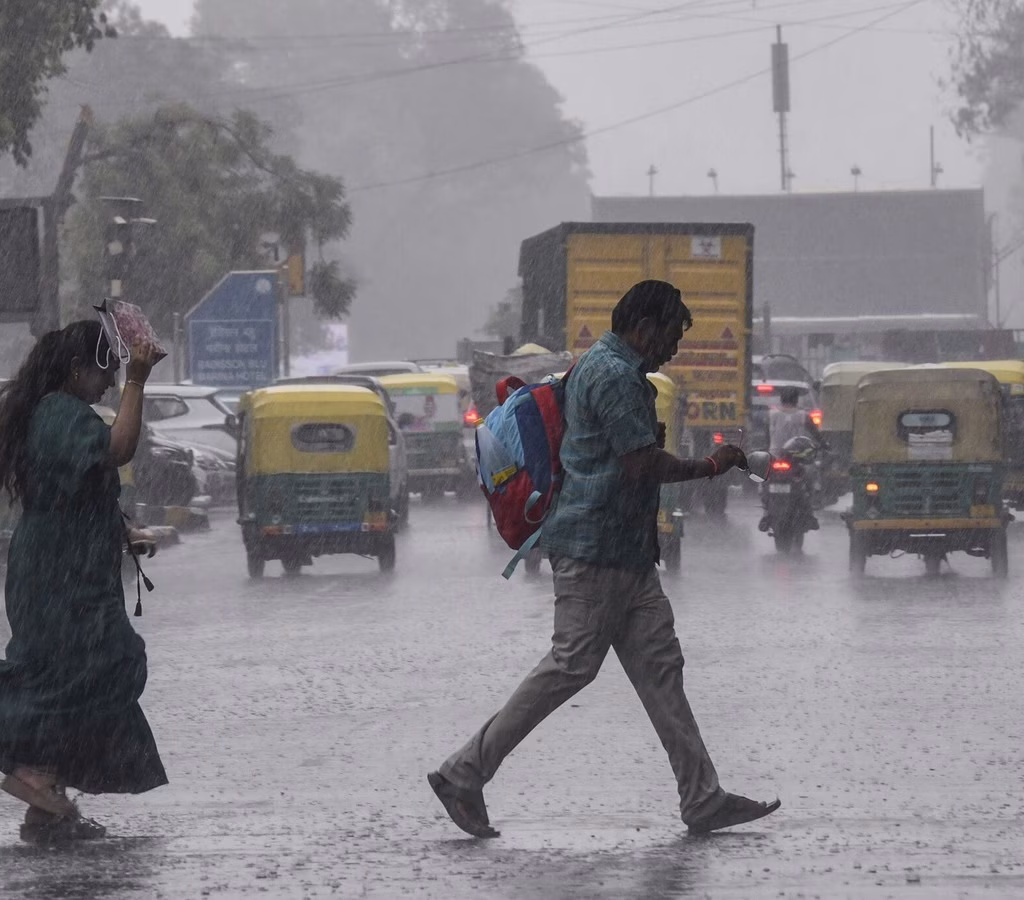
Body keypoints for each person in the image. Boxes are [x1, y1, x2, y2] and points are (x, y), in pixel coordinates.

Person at [428, 280, 780, 837]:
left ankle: (702, 797)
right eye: (669, 335)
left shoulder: (606, 368)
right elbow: (642, 465)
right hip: (595, 551)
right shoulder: (614, 377)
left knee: (661, 672)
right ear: (643, 327)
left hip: (625, 553)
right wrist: (714, 466)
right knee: (570, 666)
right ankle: (462, 773)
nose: (673, 349)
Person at [0, 321, 166, 842]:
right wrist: (140, 379)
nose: (111, 382)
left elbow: (80, 487)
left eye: (119, 373)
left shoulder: (58, 413)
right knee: (100, 665)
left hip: (64, 568)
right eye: (107, 371)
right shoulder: (57, 413)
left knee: (66, 672)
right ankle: (35, 772)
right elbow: (118, 448)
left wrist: (123, 531)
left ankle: (47, 805)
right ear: (76, 371)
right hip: (60, 574)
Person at [764, 386, 825, 532]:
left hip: (775, 457)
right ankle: (809, 513)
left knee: (764, 484)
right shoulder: (803, 415)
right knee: (810, 481)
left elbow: (767, 436)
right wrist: (824, 445)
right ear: (796, 400)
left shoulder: (771, 415)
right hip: (797, 458)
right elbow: (816, 435)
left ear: (781, 399)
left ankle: (766, 512)